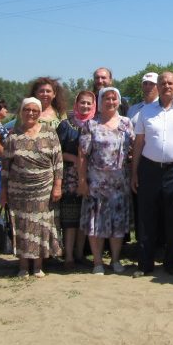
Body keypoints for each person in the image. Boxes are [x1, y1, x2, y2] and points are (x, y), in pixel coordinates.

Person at [131, 71, 173, 277]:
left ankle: (171, 263)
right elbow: (139, 143)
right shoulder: (146, 111)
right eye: (162, 83)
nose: (166, 86)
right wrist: (134, 173)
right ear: (157, 87)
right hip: (149, 169)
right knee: (146, 218)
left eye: (170, 83)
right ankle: (145, 264)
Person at [1, 98, 63, 278]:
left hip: (44, 188)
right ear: (21, 112)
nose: (31, 113)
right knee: (21, 226)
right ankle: (22, 265)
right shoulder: (12, 136)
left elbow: (58, 163)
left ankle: (37, 265)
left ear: (39, 113)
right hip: (18, 190)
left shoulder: (50, 134)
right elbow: (5, 166)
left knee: (41, 225)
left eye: (35, 110)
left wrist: (57, 186)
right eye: (27, 109)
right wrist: (3, 192)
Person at [76, 87, 134, 275]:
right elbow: (83, 155)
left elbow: (133, 151)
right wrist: (82, 180)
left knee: (118, 223)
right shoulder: (91, 125)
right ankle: (98, 262)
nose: (110, 102)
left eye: (114, 98)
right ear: (100, 102)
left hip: (119, 183)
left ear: (118, 101)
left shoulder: (126, 123)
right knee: (96, 223)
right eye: (107, 98)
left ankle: (116, 260)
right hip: (96, 183)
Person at [57, 91, 96, 269]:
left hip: (92, 176)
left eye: (89, 103)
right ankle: (69, 256)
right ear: (76, 104)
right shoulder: (66, 126)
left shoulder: (97, 124)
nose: (85, 106)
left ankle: (80, 254)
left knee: (85, 217)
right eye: (83, 103)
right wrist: (75, 159)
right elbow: (56, 151)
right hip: (70, 177)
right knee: (70, 218)